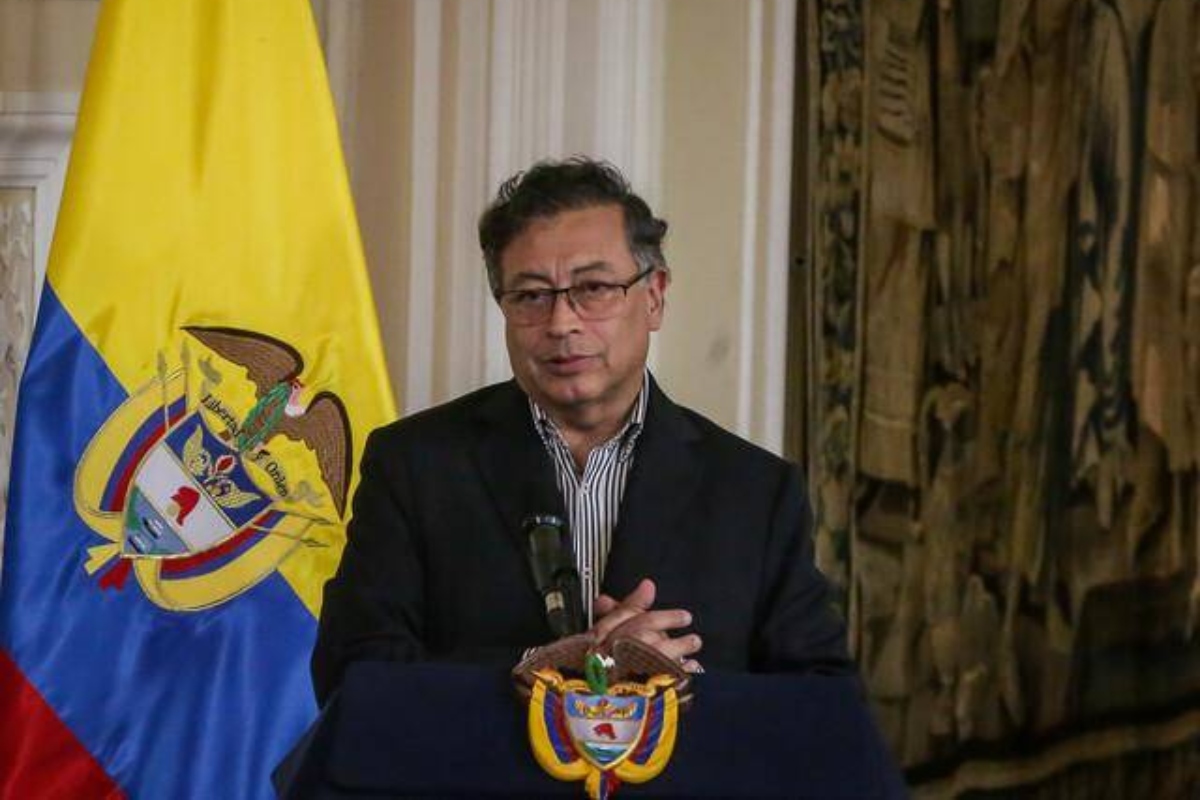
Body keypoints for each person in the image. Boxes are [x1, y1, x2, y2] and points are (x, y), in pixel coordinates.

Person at [311, 157, 852, 705]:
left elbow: (820, 698)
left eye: (593, 288)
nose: (562, 323)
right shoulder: (416, 464)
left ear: (655, 296)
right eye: (530, 296)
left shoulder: (755, 491)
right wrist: (550, 667)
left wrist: (671, 687)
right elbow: (351, 669)